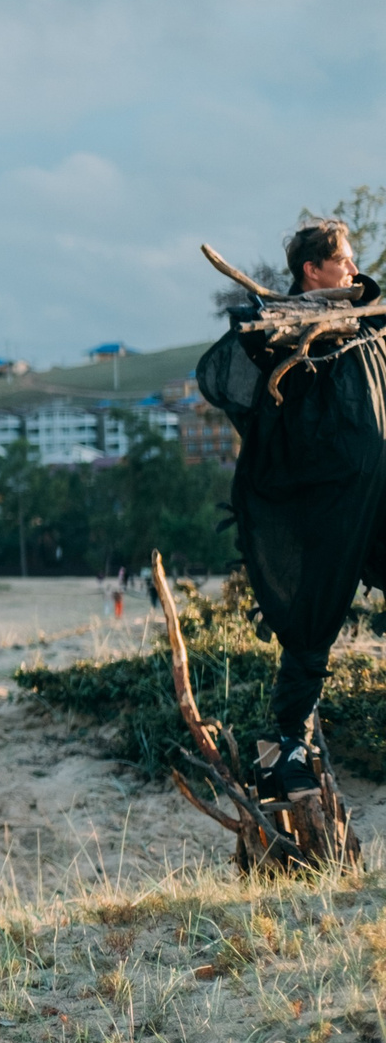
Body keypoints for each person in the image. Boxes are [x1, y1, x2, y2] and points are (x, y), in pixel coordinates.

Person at [197, 216, 386, 802]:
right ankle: (287, 753)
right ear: (312, 270)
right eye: (344, 260)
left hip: (378, 499)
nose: (354, 268)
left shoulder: (367, 326)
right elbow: (234, 381)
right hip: (327, 504)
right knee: (312, 622)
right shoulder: (283, 331)